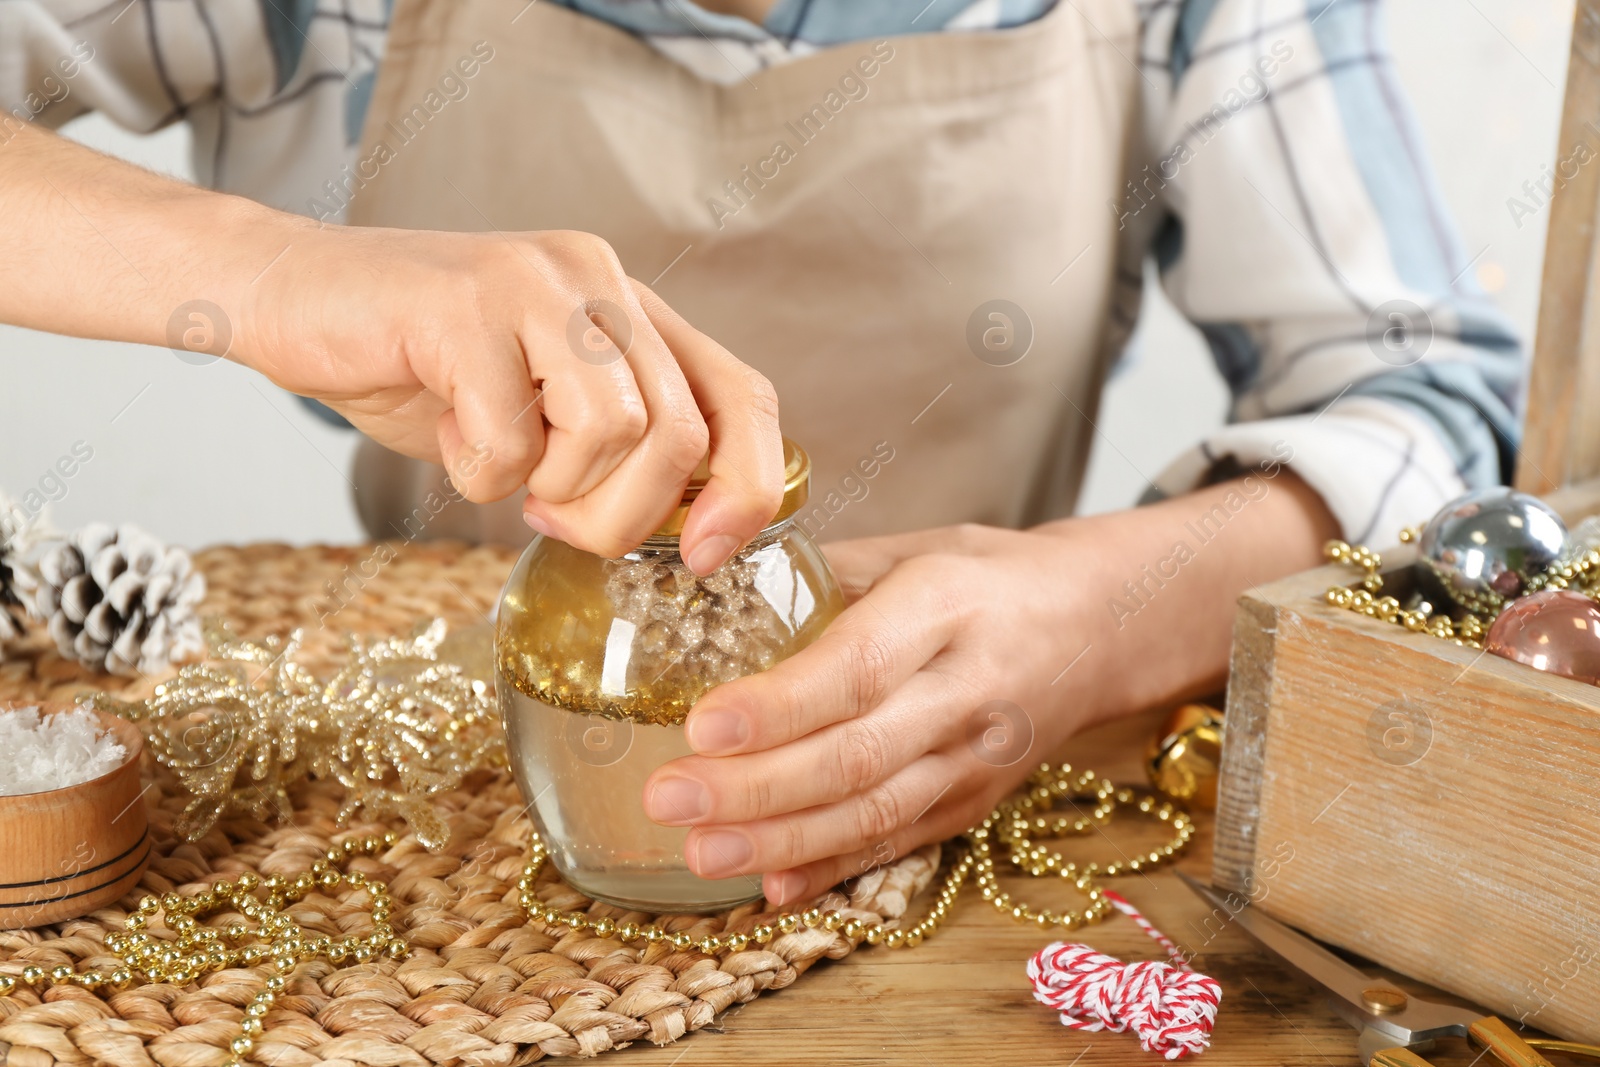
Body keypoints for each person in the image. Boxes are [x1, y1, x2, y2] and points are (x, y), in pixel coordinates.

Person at [0, 0, 1520, 906]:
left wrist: (1109, 611)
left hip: (1008, 824)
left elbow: (1441, 414)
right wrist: (266, 277)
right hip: (456, 810)